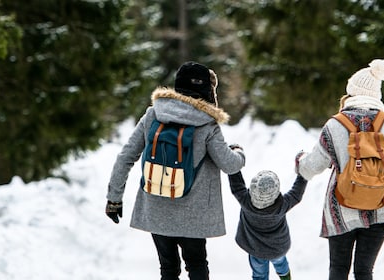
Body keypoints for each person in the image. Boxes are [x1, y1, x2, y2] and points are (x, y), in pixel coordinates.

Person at [104, 61, 245, 280]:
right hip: (194, 215)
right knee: (197, 265)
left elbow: (126, 157)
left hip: (157, 208)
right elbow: (230, 164)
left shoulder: (153, 115)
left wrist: (114, 199)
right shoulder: (207, 124)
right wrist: (239, 152)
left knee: (168, 269)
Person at [295, 59, 384, 280]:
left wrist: (300, 161)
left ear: (351, 94)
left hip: (341, 207)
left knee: (338, 269)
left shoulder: (335, 124)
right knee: (364, 271)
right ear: (376, 95)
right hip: (380, 209)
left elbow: (311, 167)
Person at [227, 166, 308, 280]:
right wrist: (303, 172)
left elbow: (237, 185)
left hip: (255, 250)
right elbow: (296, 194)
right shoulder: (281, 206)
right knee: (281, 265)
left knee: (259, 275)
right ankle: (285, 277)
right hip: (278, 249)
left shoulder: (245, 202)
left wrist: (233, 160)